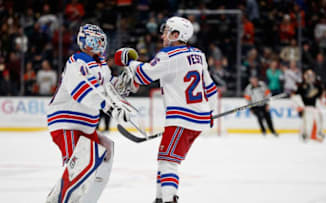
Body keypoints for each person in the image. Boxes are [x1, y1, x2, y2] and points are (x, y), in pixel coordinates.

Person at [114, 16, 218, 203]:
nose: (163, 35)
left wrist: (128, 61)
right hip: (197, 118)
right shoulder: (199, 55)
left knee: (169, 162)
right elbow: (210, 88)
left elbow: (144, 75)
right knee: (165, 158)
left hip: (181, 118)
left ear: (176, 34)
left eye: (167, 31)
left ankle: (169, 199)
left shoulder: (168, 55)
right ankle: (160, 198)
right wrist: (210, 111)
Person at [46, 24, 129, 203]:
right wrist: (112, 108)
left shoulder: (101, 66)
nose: (100, 44)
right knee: (80, 164)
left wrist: (127, 82)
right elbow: (83, 93)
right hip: (66, 122)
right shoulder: (77, 62)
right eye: (95, 40)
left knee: (101, 161)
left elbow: (110, 87)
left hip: (87, 126)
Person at [293, 69, 325, 142]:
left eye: (311, 76)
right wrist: (298, 106)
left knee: (318, 120)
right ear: (305, 76)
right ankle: (304, 135)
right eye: (308, 76)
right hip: (305, 107)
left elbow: (321, 95)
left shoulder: (317, 86)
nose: (310, 77)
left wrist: (323, 100)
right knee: (305, 122)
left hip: (314, 107)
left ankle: (316, 134)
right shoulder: (301, 86)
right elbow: (296, 96)